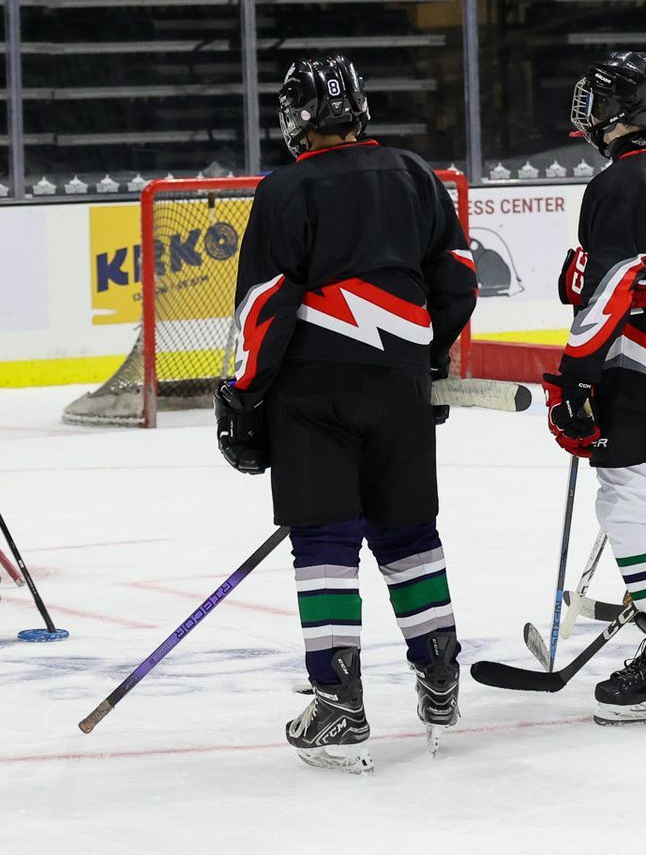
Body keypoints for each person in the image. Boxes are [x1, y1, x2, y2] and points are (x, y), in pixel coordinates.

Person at [215, 56, 477, 773]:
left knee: (325, 542)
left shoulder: (286, 188)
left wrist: (241, 394)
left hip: (313, 394)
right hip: (397, 387)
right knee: (408, 532)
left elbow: (264, 303)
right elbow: (457, 279)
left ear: (297, 119)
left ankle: (338, 702)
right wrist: (427, 355)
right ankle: (439, 672)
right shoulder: (416, 174)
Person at [545, 51, 646, 726]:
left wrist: (576, 375)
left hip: (631, 360)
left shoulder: (622, 183)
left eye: (602, 100)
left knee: (626, 492)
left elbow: (610, 290)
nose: (591, 111)